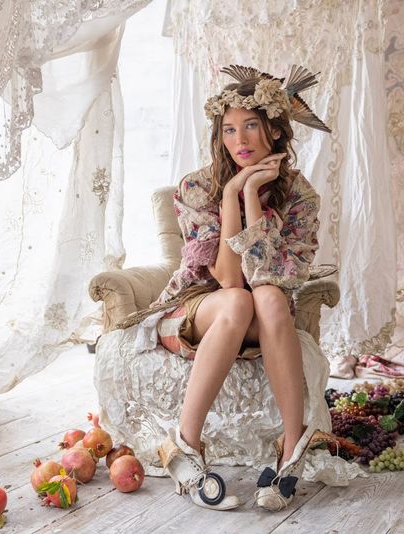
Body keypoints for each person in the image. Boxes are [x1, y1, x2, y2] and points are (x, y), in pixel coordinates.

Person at [146, 65, 335, 512]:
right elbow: (229, 279)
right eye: (229, 129)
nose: (240, 140)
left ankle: (291, 446)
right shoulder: (197, 187)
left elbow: (271, 278)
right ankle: (185, 445)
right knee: (236, 299)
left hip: (258, 313)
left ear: (274, 130)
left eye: (251, 126)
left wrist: (253, 196)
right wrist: (230, 195)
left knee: (266, 296)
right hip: (201, 307)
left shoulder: (300, 198)